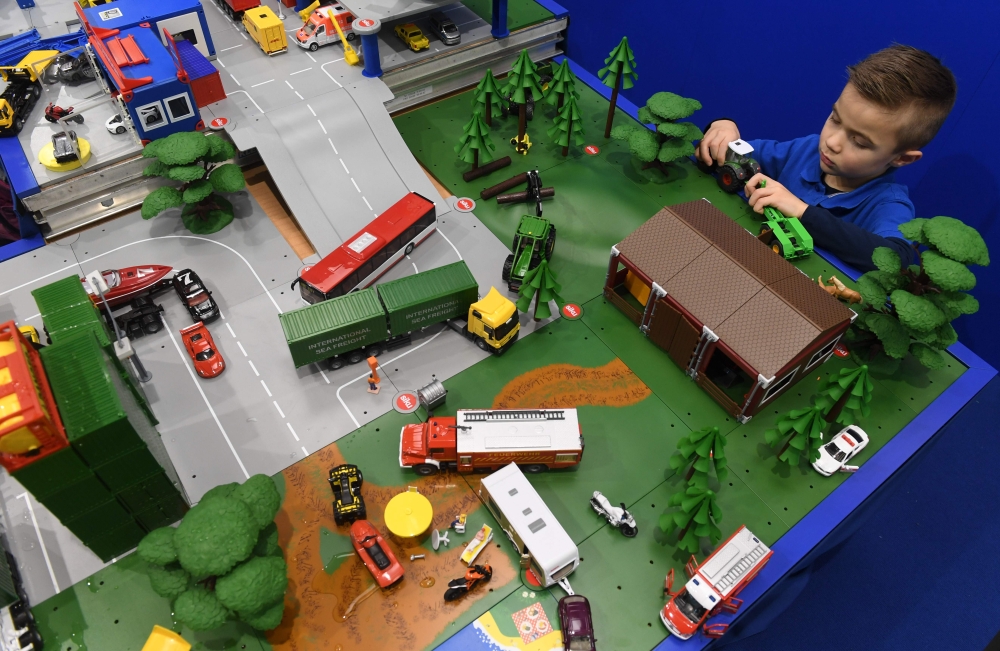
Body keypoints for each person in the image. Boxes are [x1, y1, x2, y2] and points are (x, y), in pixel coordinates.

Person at [697, 45, 957, 271]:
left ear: (902, 158)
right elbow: (738, 158)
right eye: (835, 119)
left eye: (859, 141)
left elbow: (895, 257)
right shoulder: (807, 150)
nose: (832, 142)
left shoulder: (888, 204)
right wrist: (724, 127)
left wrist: (803, 212)